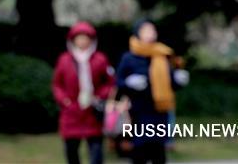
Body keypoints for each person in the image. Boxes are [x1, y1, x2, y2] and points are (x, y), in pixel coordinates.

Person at [116, 19, 189, 164]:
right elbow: (118, 82)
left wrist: (179, 80)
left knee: (158, 151)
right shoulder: (129, 57)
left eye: (153, 31)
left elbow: (171, 84)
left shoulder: (162, 54)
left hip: (159, 111)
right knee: (140, 150)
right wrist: (129, 83)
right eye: (146, 31)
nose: (151, 34)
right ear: (138, 33)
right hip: (139, 111)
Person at [52, 21, 115, 164]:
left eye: (86, 37)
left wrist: (99, 96)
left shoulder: (100, 59)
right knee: (71, 150)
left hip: (92, 111)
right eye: (79, 37)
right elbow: (57, 84)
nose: (82, 41)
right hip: (72, 111)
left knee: (96, 150)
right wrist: (64, 100)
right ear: (73, 40)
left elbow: (110, 82)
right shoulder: (64, 60)